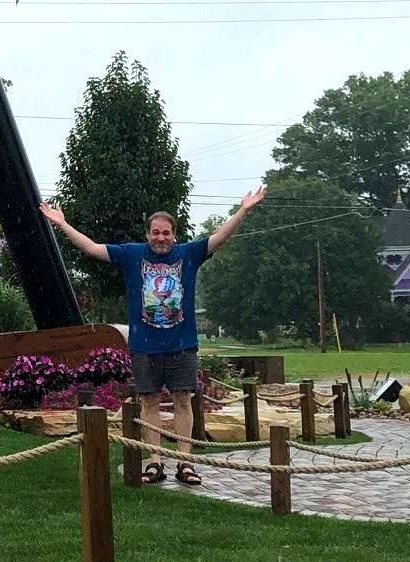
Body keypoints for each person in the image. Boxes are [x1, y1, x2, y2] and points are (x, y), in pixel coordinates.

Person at [39, 190, 266, 485]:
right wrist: (61, 224)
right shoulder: (132, 254)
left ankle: (186, 463)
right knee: (149, 403)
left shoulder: (189, 254)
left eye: (166, 233)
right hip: (144, 346)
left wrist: (243, 211)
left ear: (174, 235)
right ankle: (155, 461)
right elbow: (92, 249)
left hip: (181, 346)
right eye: (156, 233)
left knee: (183, 401)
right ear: (147, 235)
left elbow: (219, 238)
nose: (161, 238)